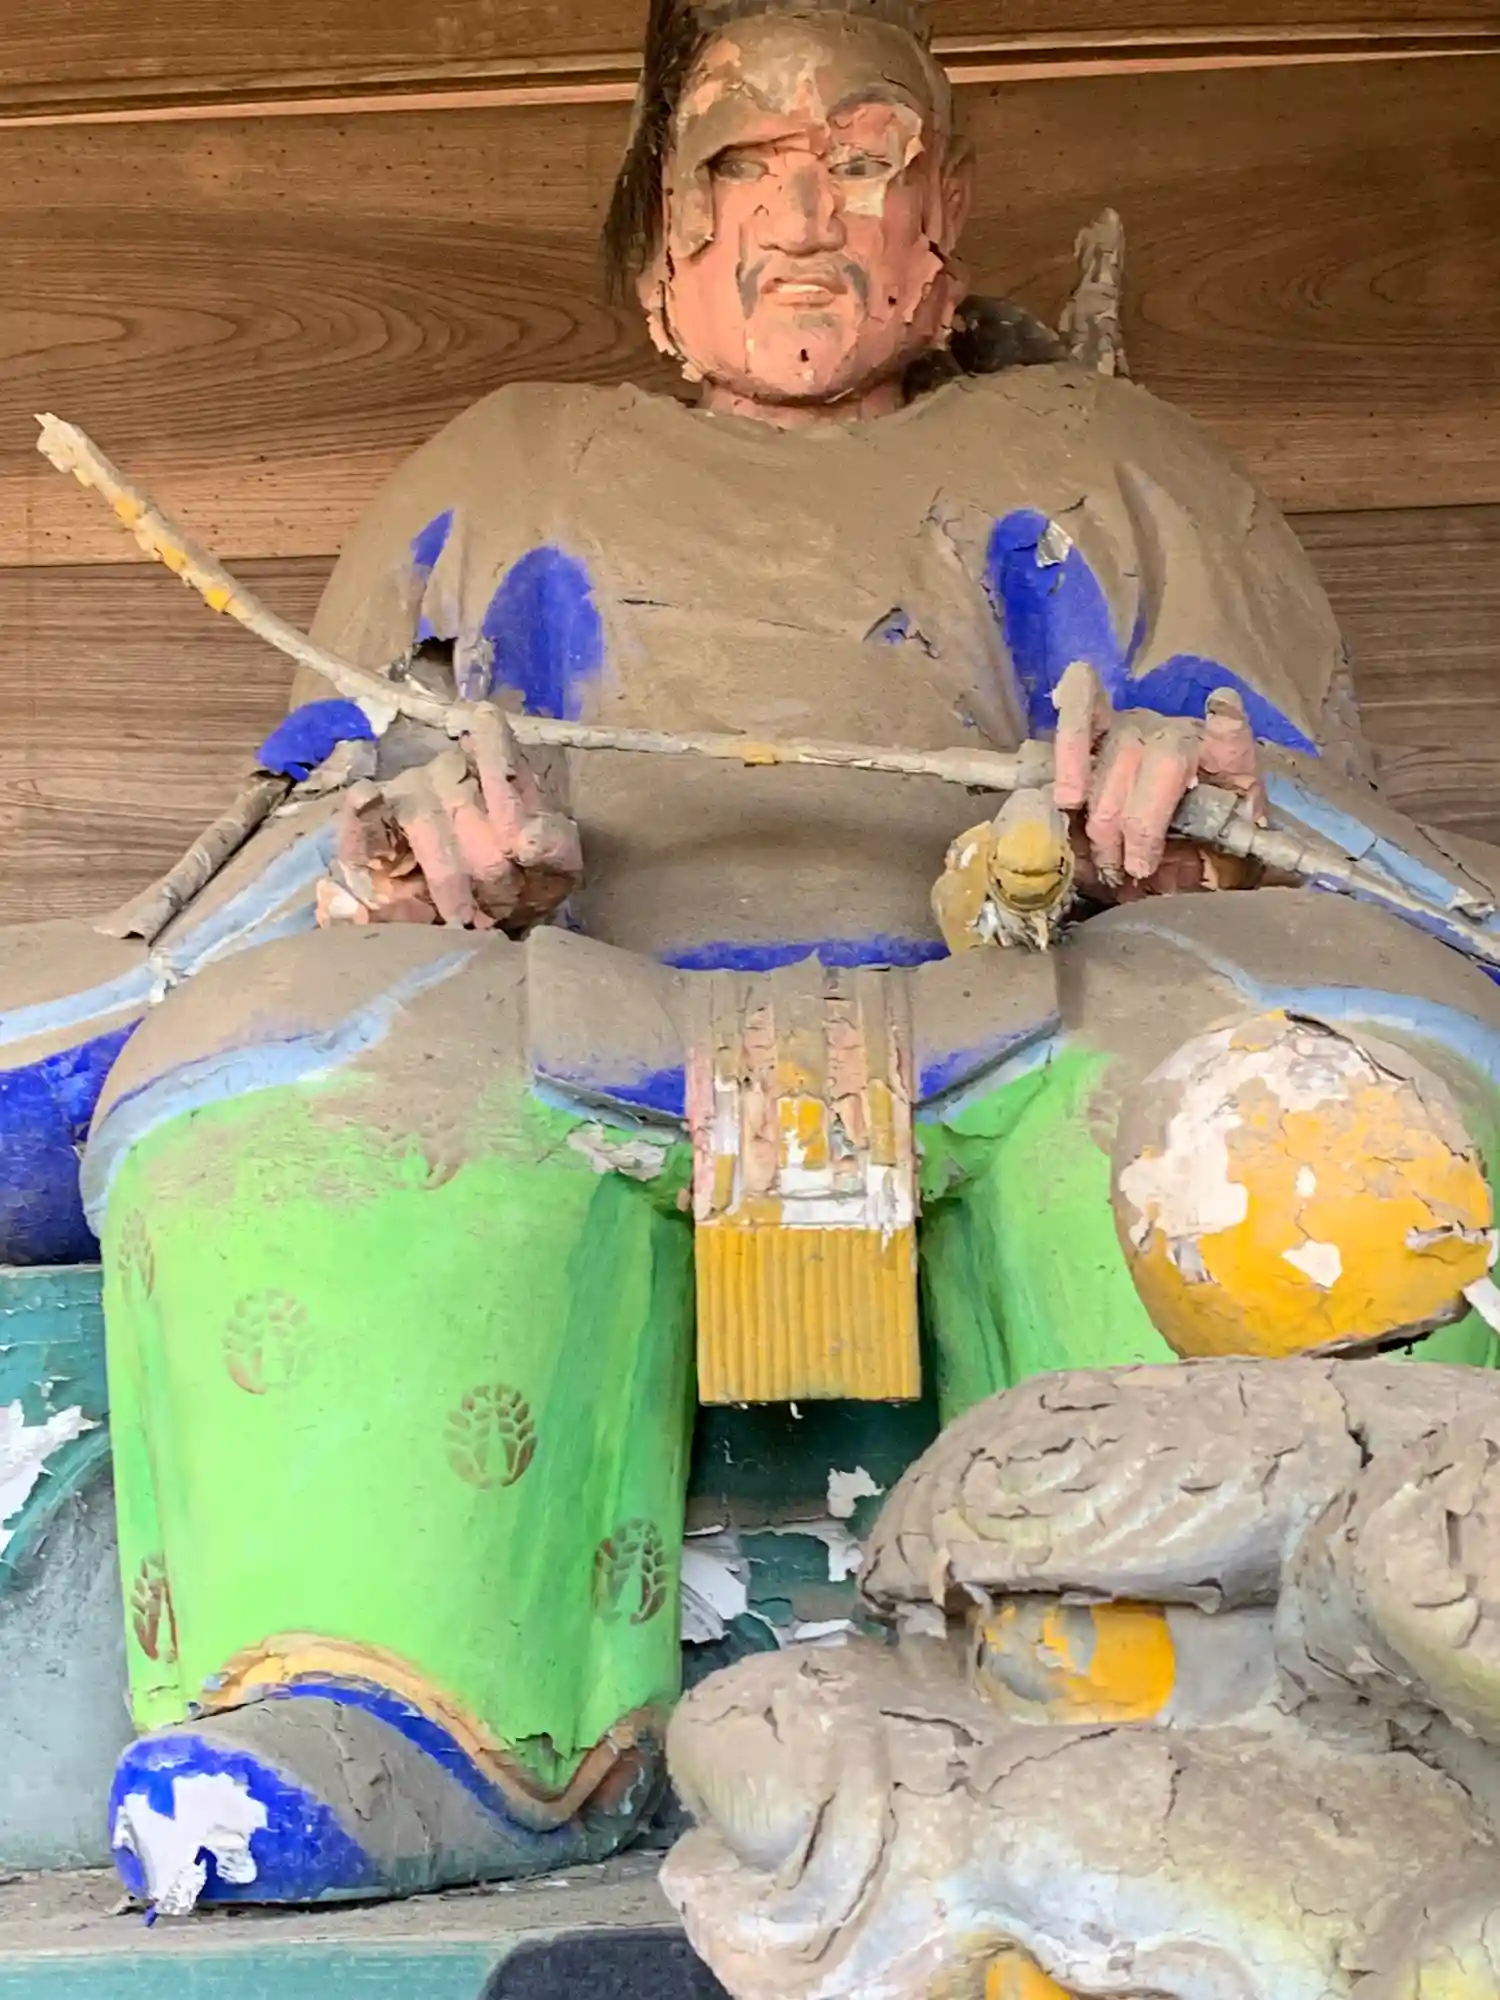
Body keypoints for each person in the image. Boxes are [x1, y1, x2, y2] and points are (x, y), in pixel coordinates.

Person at [6, 0, 1500, 1915]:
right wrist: (403, 857)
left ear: (945, 221)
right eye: (747, 164)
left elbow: (1332, 838)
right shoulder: (510, 462)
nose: (806, 213)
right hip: (560, 1003)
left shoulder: (1107, 458)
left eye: (865, 158)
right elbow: (306, 821)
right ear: (662, 241)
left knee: (1265, 1058)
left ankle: (1224, 1690)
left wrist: (1196, 821)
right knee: (305, 1059)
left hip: (1043, 999)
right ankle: (410, 1701)